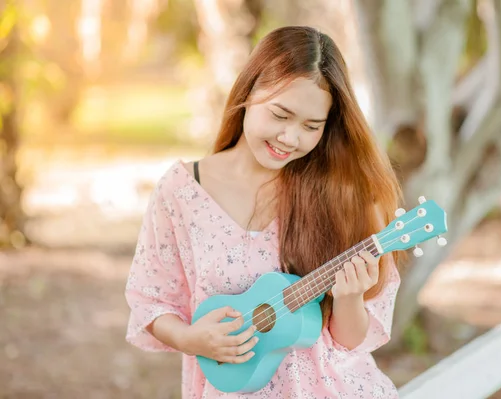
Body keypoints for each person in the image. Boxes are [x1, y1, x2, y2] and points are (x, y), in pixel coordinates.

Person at [124, 25, 405, 399]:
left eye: (311, 126)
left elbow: (350, 341)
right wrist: (190, 338)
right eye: (280, 115)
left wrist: (350, 298)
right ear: (249, 91)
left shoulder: (340, 195)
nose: (290, 138)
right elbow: (152, 299)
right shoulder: (181, 191)